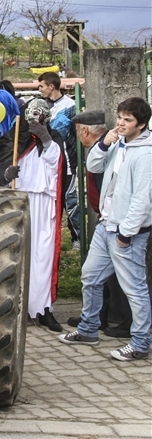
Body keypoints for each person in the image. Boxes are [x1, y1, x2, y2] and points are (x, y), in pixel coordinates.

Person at [59, 98, 152, 362]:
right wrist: (104, 143)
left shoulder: (146, 154)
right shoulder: (120, 143)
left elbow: (142, 200)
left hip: (126, 232)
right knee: (90, 277)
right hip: (106, 226)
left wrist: (126, 233)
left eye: (128, 120)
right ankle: (88, 329)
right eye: (120, 117)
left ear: (141, 125)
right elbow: (94, 166)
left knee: (134, 288)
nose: (121, 123)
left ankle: (141, 343)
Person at [0, 99, 66, 332]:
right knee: (16, 253)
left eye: (42, 117)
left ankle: (42, 308)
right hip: (19, 200)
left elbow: (57, 166)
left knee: (42, 256)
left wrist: (46, 139)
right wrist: (7, 174)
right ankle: (13, 308)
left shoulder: (54, 138)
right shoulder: (13, 135)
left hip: (44, 203)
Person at [66, 110, 132, 337]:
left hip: (114, 220)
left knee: (122, 276)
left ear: (84, 131)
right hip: (105, 218)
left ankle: (127, 323)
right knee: (98, 275)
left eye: (77, 132)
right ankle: (97, 319)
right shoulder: (102, 149)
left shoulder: (105, 151)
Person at [38, 71, 80, 249]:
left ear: (51, 86)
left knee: (70, 200)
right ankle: (49, 238)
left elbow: (59, 129)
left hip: (67, 160)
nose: (39, 90)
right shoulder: (40, 104)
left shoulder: (70, 105)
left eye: (41, 86)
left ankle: (77, 237)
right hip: (46, 162)